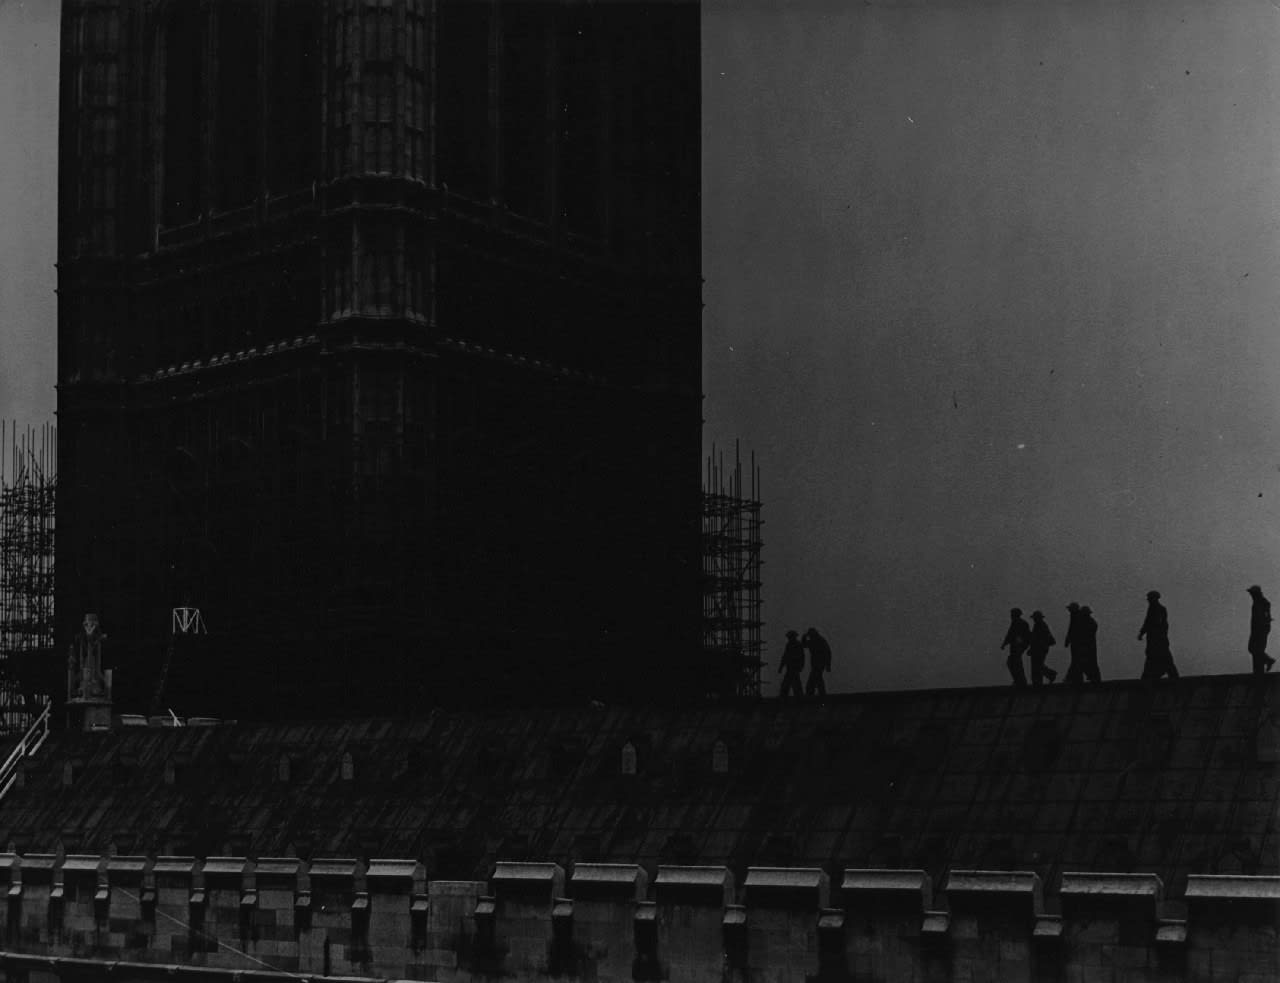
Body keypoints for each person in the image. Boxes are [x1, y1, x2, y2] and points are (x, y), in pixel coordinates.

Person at [1138, 590, 1178, 681]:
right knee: (1156, 661)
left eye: (1149, 599)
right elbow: (1147, 623)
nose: (1148, 600)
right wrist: (1142, 633)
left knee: (1164, 660)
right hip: (1155, 641)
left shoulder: (1159, 610)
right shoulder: (1153, 609)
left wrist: (1143, 633)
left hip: (1158, 641)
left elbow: (1155, 624)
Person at [1246, 585, 1275, 675]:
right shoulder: (1260, 602)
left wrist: (1264, 624)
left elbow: (1264, 616)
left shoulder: (1261, 602)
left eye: (1252, 593)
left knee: (1255, 649)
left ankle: (1266, 663)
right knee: (1256, 649)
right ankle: (1259, 670)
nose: (1251, 595)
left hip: (1260, 629)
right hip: (1258, 629)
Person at [1000, 608, 1031, 688]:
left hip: (1017, 647)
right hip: (1018, 647)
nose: (1011, 616)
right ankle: (1020, 681)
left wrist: (1006, 644)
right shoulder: (1021, 623)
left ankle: (1020, 681)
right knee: (1015, 663)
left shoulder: (1018, 623)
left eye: (1012, 614)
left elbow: (1012, 634)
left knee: (1014, 663)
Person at [1028, 611, 1058, 686]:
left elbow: (1037, 639)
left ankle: (1047, 676)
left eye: (1035, 618)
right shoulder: (1040, 625)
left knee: (1037, 666)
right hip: (1041, 649)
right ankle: (1045, 677)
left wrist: (1032, 649)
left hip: (1039, 649)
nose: (1034, 619)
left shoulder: (1040, 626)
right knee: (1038, 665)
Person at [1075, 606, 1102, 682]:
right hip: (1089, 645)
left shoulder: (1088, 622)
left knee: (1087, 662)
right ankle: (1093, 677)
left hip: (1088, 646)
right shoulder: (1089, 622)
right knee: (1088, 662)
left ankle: (1093, 677)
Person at [802, 628, 832, 697]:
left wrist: (828, 664)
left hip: (819, 664)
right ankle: (820, 694)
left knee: (814, 680)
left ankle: (812, 694)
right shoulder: (815, 641)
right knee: (818, 680)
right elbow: (804, 645)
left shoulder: (819, 640)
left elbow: (827, 653)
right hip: (817, 664)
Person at [777, 630, 805, 699]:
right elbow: (785, 656)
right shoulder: (789, 645)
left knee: (793, 683)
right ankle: (795, 696)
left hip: (794, 667)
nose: (789, 638)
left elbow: (801, 657)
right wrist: (781, 667)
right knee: (791, 682)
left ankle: (797, 696)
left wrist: (800, 666)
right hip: (791, 667)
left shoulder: (797, 645)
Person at [1062, 601, 1084, 683]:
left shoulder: (1076, 617)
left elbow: (1072, 629)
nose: (1069, 611)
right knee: (1077, 660)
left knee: (1076, 660)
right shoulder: (1076, 616)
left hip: (1077, 642)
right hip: (1076, 642)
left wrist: (1068, 640)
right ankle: (1076, 678)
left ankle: (1072, 677)